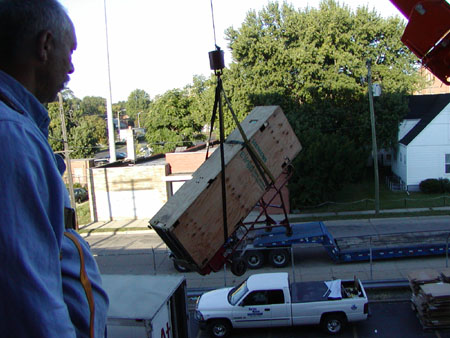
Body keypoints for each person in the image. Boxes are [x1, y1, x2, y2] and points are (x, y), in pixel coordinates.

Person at [0, 0, 108, 336]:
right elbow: (29, 301)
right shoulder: (11, 136)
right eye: (70, 51)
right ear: (45, 45)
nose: (72, 67)